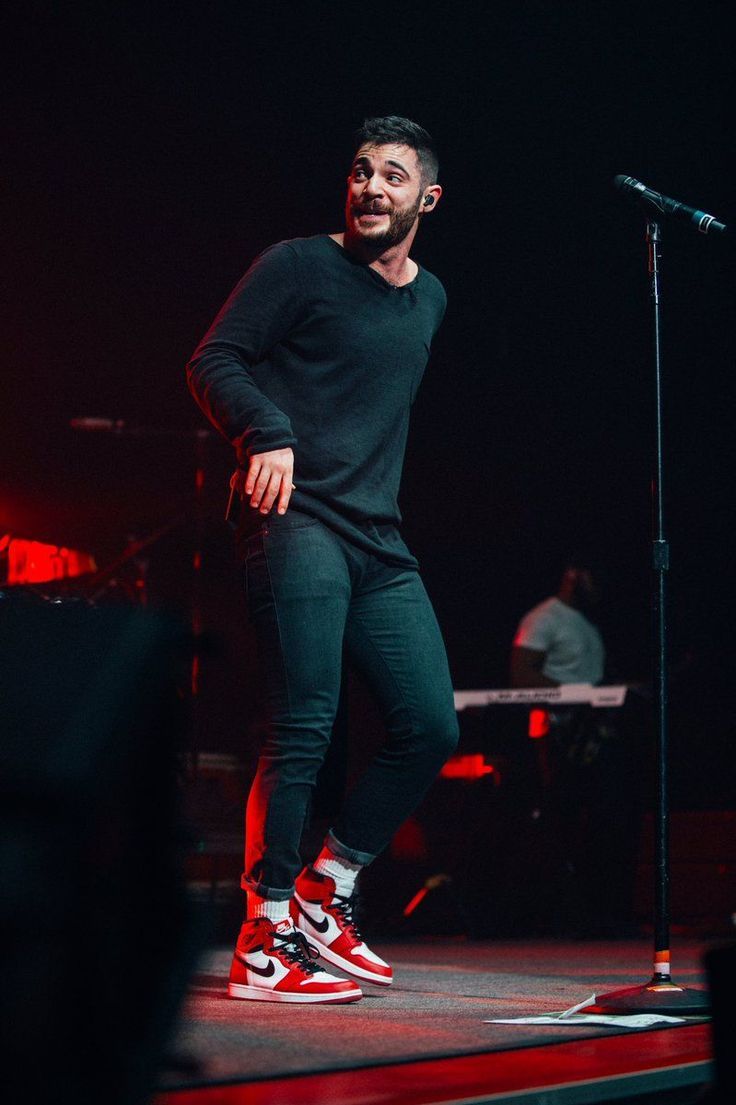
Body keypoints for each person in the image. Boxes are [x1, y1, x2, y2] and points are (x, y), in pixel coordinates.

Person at [187, 117, 459, 1003]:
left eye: (391, 175)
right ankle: (263, 934)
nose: (370, 187)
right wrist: (264, 431)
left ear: (427, 199)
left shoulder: (430, 300)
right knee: (306, 720)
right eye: (358, 171)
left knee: (431, 724)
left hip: (377, 536)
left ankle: (324, 890)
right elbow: (213, 358)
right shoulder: (297, 265)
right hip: (293, 516)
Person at [510, 564, 642, 936]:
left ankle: (600, 911)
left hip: (595, 734)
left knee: (605, 821)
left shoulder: (587, 623)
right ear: (572, 575)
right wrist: (579, 696)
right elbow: (521, 676)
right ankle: (558, 915)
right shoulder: (545, 617)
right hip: (559, 735)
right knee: (562, 819)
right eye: (593, 577)